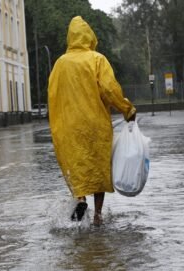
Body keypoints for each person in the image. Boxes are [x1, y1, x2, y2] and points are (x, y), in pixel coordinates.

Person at [48, 16, 136, 226]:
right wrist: (127, 109)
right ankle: (97, 216)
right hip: (95, 125)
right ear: (89, 36)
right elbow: (109, 90)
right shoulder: (97, 59)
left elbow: (52, 95)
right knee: (97, 170)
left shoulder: (60, 64)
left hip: (68, 127)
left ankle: (80, 199)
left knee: (76, 166)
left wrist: (57, 125)